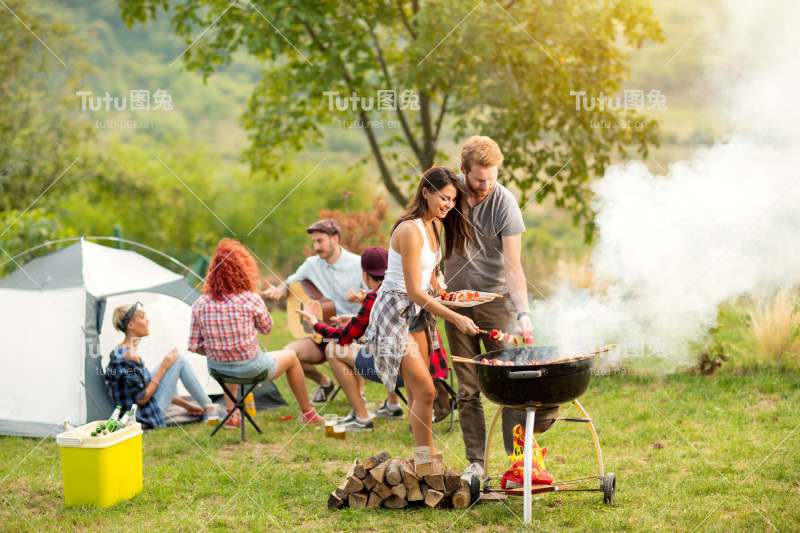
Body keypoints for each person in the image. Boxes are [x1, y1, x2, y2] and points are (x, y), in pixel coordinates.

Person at [364, 166, 479, 453]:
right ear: (426, 192)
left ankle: (422, 460)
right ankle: (427, 462)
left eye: (453, 200)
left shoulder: (434, 225)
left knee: (420, 392)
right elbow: (413, 289)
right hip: (395, 313)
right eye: (443, 197)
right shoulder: (409, 230)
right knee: (427, 390)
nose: (448, 205)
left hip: (417, 314)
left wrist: (449, 297)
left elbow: (428, 276)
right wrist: (455, 317)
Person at [442, 135, 535, 483]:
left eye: (491, 178)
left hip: (498, 303)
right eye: (479, 179)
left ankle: (518, 463)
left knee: (509, 385)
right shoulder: (447, 197)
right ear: (463, 170)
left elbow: (513, 266)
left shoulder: (505, 202)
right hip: (456, 305)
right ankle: (476, 465)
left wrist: (523, 313)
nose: (485, 185)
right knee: (467, 389)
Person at [188, 239, 324, 428]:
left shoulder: (200, 304)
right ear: (244, 270)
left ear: (213, 273)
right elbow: (267, 330)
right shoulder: (251, 299)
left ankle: (232, 414)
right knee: (292, 357)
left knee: (227, 357)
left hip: (218, 370)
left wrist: (217, 349)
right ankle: (308, 413)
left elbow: (195, 347)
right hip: (253, 368)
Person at [296, 247, 412, 431]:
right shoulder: (407, 289)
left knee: (333, 349)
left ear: (365, 276)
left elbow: (344, 337)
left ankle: (361, 417)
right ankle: (392, 406)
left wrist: (314, 323)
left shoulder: (374, 297)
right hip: (422, 369)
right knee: (383, 340)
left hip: (398, 372)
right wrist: (352, 320)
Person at [262, 219, 366, 404]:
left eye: (320, 241)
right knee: (289, 354)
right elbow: (290, 284)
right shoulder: (311, 264)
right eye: (314, 242)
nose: (316, 247)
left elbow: (373, 297)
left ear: (335, 239)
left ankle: (359, 392)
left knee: (345, 351)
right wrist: (278, 290)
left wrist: (361, 298)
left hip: (350, 332)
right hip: (321, 331)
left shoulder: (357, 264)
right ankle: (325, 383)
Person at [105, 302, 214, 430]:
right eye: (142, 318)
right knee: (179, 361)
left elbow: (144, 388)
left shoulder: (120, 350)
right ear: (131, 325)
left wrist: (186, 405)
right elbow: (142, 399)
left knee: (173, 361)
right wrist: (163, 368)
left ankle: (207, 407)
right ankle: (210, 409)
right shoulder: (130, 355)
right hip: (141, 415)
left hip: (133, 411)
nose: (148, 321)